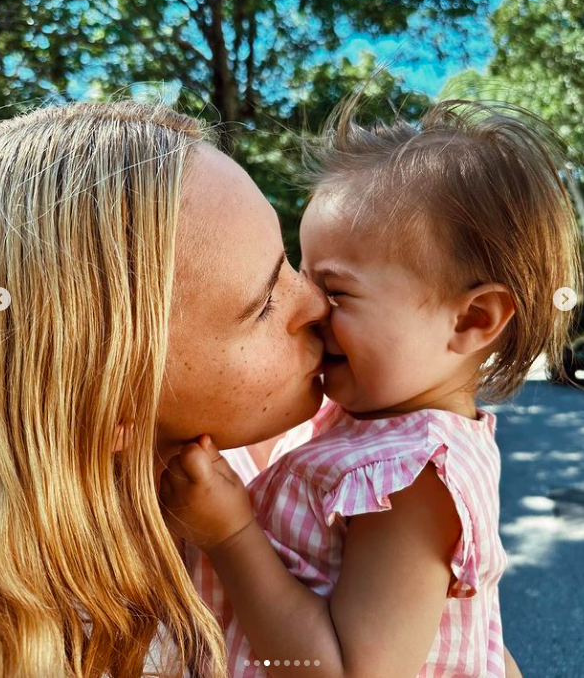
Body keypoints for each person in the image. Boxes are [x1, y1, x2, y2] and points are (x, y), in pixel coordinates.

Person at [160, 100, 582, 677]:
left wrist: (231, 536)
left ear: (472, 320)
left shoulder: (412, 479)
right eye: (304, 275)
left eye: (336, 290)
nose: (309, 304)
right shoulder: (365, 430)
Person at [0, 100, 329, 678]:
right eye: (263, 304)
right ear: (111, 407)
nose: (316, 302)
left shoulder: (257, 465)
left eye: (290, 261)